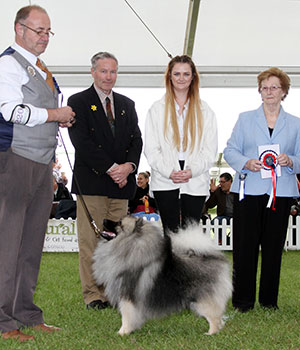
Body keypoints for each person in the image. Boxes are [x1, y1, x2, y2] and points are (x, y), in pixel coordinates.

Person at [0, 5, 75, 342]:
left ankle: (26, 313)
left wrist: (58, 117)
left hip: (43, 162)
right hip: (15, 161)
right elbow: (10, 110)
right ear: (19, 29)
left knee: (31, 243)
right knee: (7, 243)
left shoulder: (40, 68)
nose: (44, 37)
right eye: (38, 30)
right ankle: (3, 321)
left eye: (48, 32)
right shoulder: (7, 64)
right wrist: (53, 113)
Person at [67, 52, 142, 310]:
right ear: (93, 72)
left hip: (121, 187)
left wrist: (129, 167)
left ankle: (112, 292)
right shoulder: (77, 101)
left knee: (114, 242)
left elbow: (136, 140)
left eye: (113, 72)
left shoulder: (127, 104)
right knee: (91, 241)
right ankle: (93, 295)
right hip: (93, 184)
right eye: (103, 71)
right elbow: (82, 143)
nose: (109, 76)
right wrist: (112, 168)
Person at [223, 67, 300, 312]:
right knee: (244, 247)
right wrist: (245, 162)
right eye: (264, 87)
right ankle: (242, 302)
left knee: (273, 247)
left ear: (284, 92)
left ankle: (269, 301)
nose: (269, 92)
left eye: (274, 87)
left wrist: (292, 161)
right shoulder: (245, 119)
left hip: (281, 192)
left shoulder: (296, 124)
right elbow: (230, 150)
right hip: (248, 190)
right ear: (259, 91)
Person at [144, 55, 218, 234]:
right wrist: (170, 172)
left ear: (193, 77)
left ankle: (190, 263)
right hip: (165, 177)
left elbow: (209, 151)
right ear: (169, 76)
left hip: (196, 176)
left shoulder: (205, 110)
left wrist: (192, 171)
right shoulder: (156, 109)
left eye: (186, 74)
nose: (181, 78)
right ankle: (170, 263)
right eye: (177, 73)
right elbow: (151, 149)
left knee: (191, 234)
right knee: (170, 231)